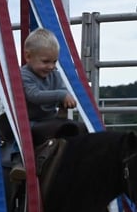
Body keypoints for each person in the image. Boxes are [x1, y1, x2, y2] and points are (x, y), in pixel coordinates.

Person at [9, 27, 83, 182]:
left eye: (54, 61)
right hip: (28, 119)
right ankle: (19, 160)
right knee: (23, 132)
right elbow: (34, 96)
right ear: (28, 57)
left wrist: (66, 101)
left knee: (72, 130)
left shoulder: (54, 75)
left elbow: (62, 89)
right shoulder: (23, 75)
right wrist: (61, 95)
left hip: (49, 119)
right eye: (45, 61)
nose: (51, 66)